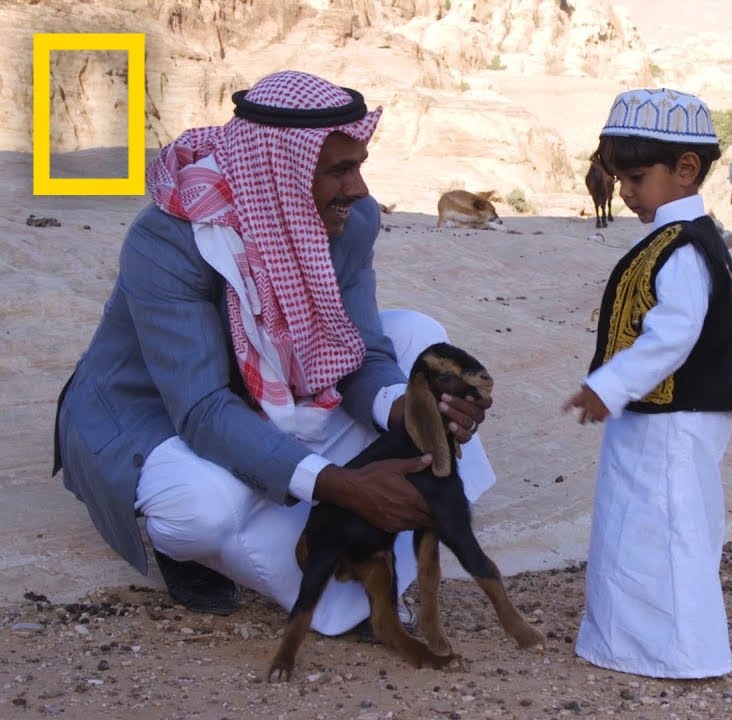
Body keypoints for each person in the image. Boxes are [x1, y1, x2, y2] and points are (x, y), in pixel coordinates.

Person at [51, 70, 497, 637]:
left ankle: (362, 572)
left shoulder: (351, 218)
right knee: (199, 511)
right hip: (154, 406)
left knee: (420, 342)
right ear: (280, 175)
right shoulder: (168, 239)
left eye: (359, 164)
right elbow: (202, 408)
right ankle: (191, 551)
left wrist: (406, 410)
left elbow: (360, 348)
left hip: (275, 389)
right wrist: (343, 485)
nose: (360, 190)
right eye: (340, 170)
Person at [563, 87, 732, 679]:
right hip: (652, 416)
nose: (624, 191)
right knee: (634, 524)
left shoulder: (687, 248)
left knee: (669, 529)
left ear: (685, 169)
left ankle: (683, 655)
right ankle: (629, 645)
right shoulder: (672, 240)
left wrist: (609, 385)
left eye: (636, 176)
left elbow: (673, 336)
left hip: (676, 417)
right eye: (620, 177)